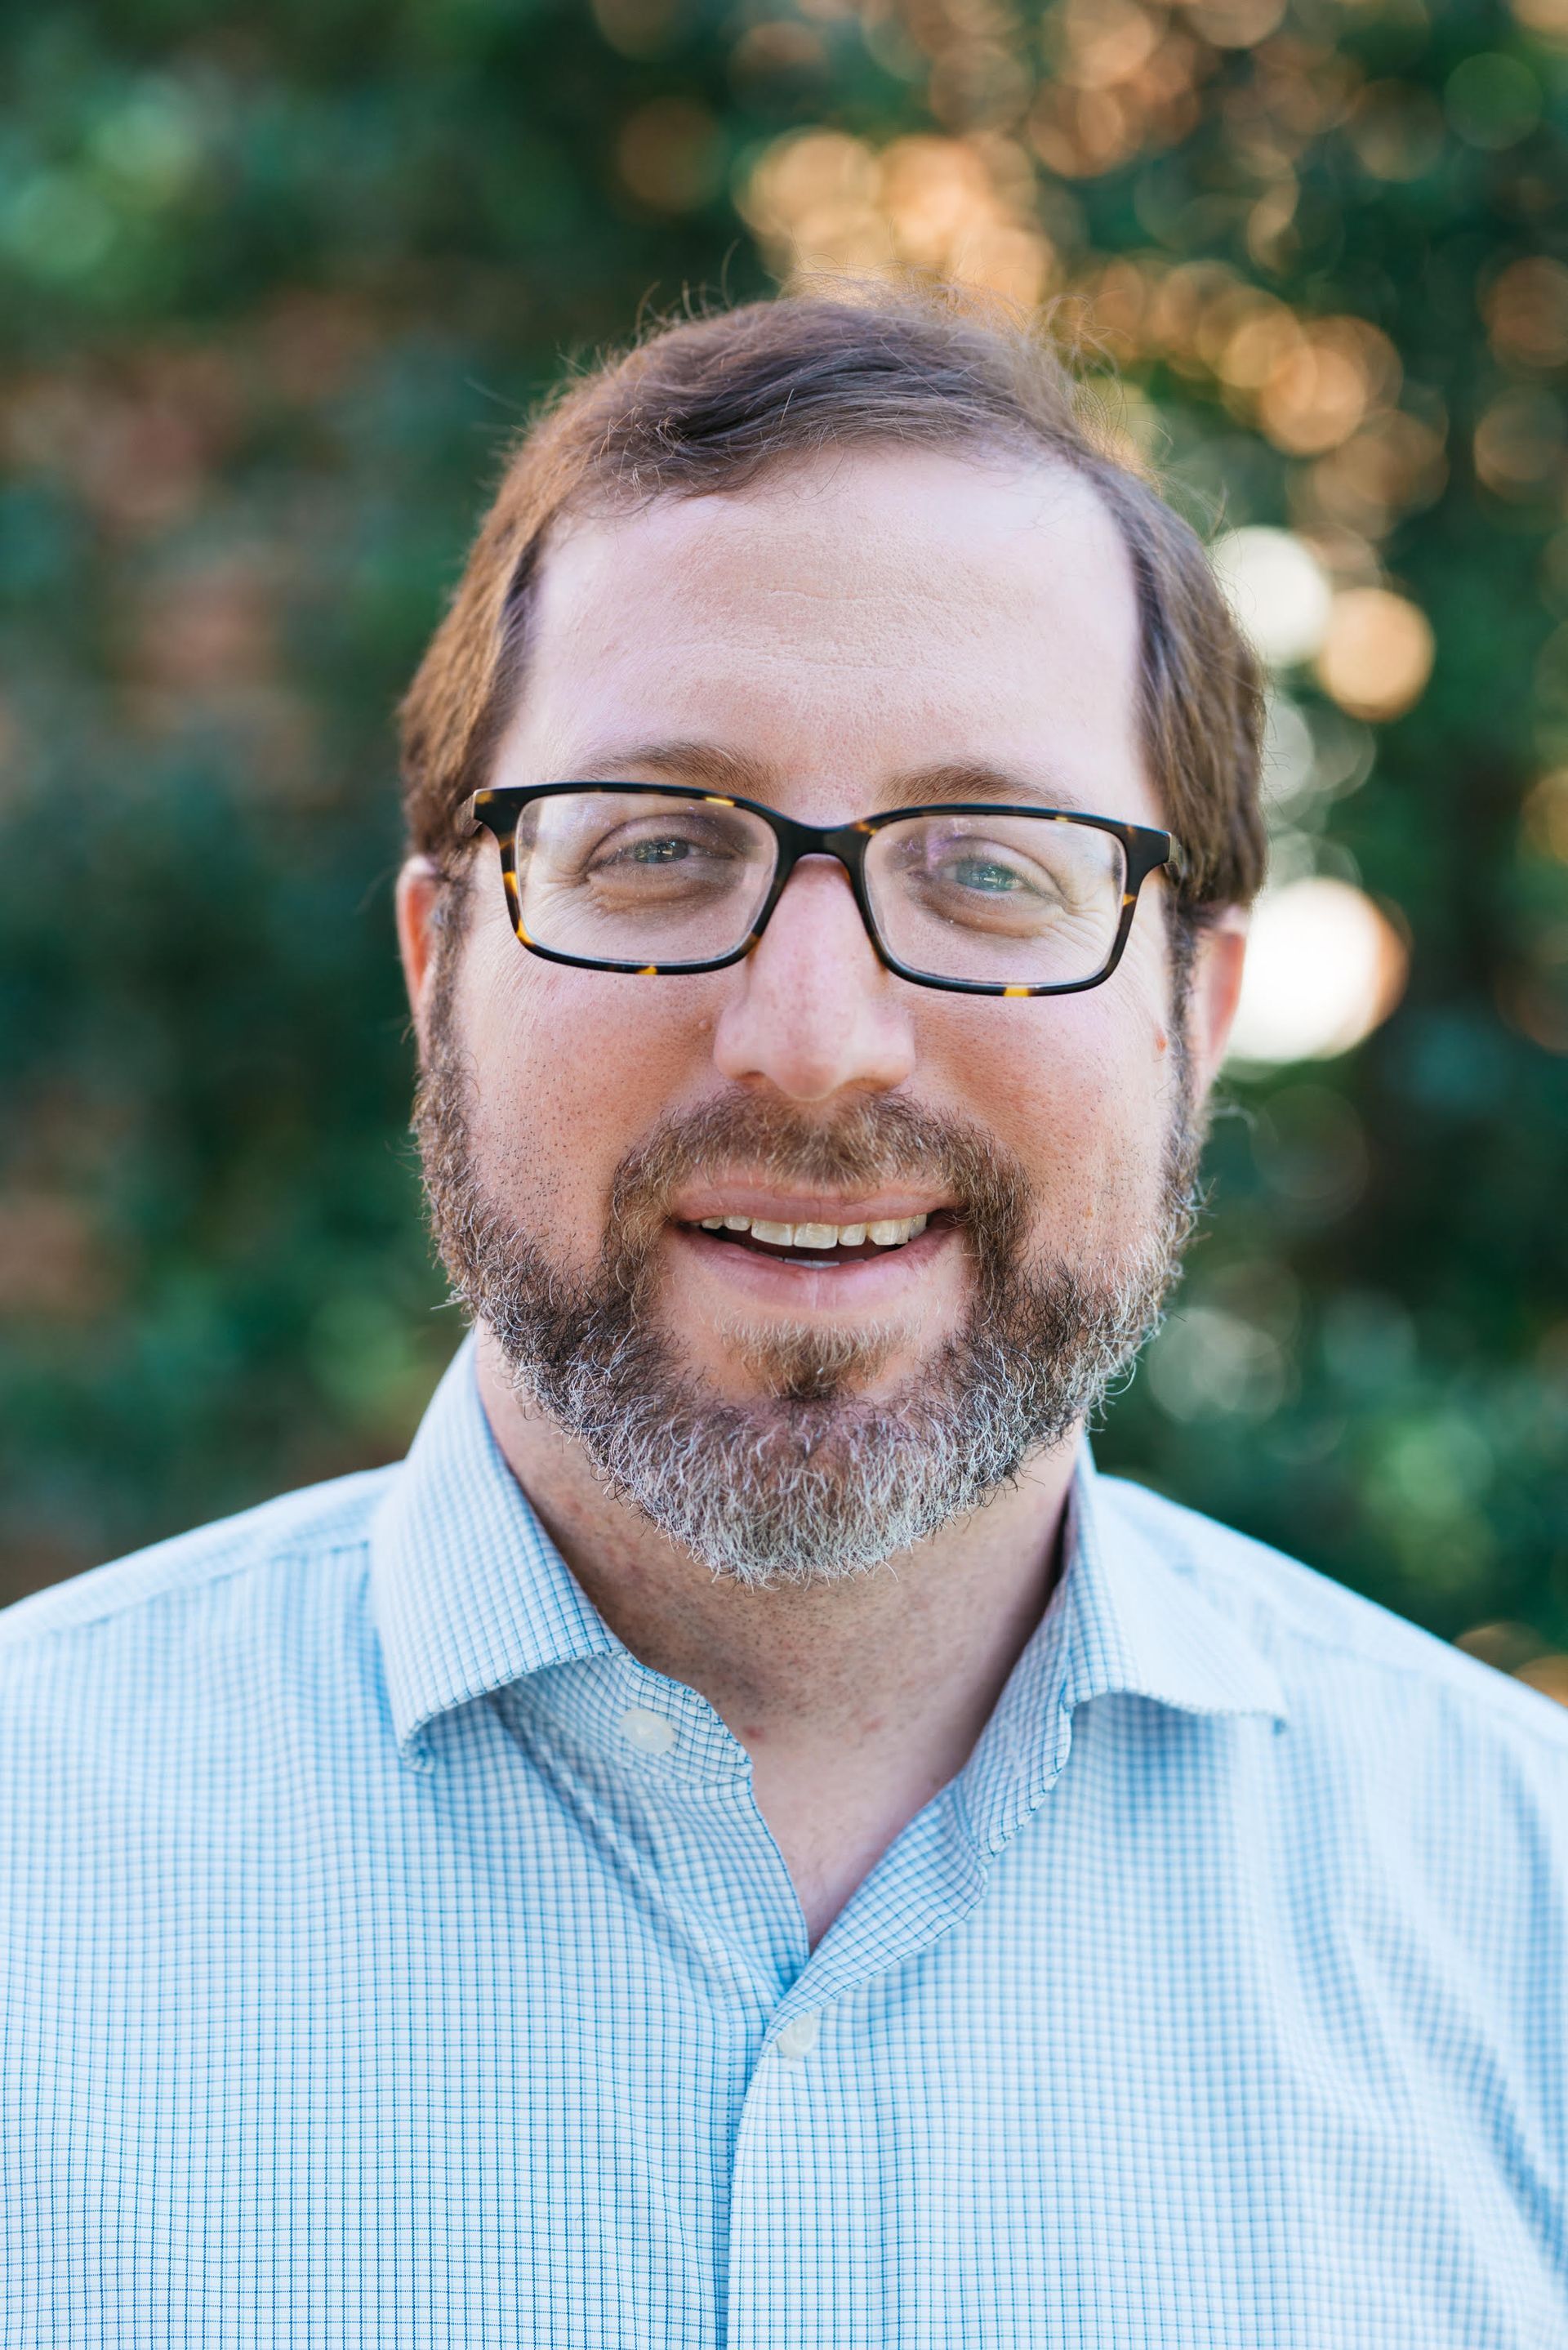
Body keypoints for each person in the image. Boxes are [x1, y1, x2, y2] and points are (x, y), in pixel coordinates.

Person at [2, 289, 1563, 2348]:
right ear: (434, 964)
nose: (815, 1042)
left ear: (1193, 1014)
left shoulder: (1525, 1922)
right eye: (657, 848)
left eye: (993, 868)